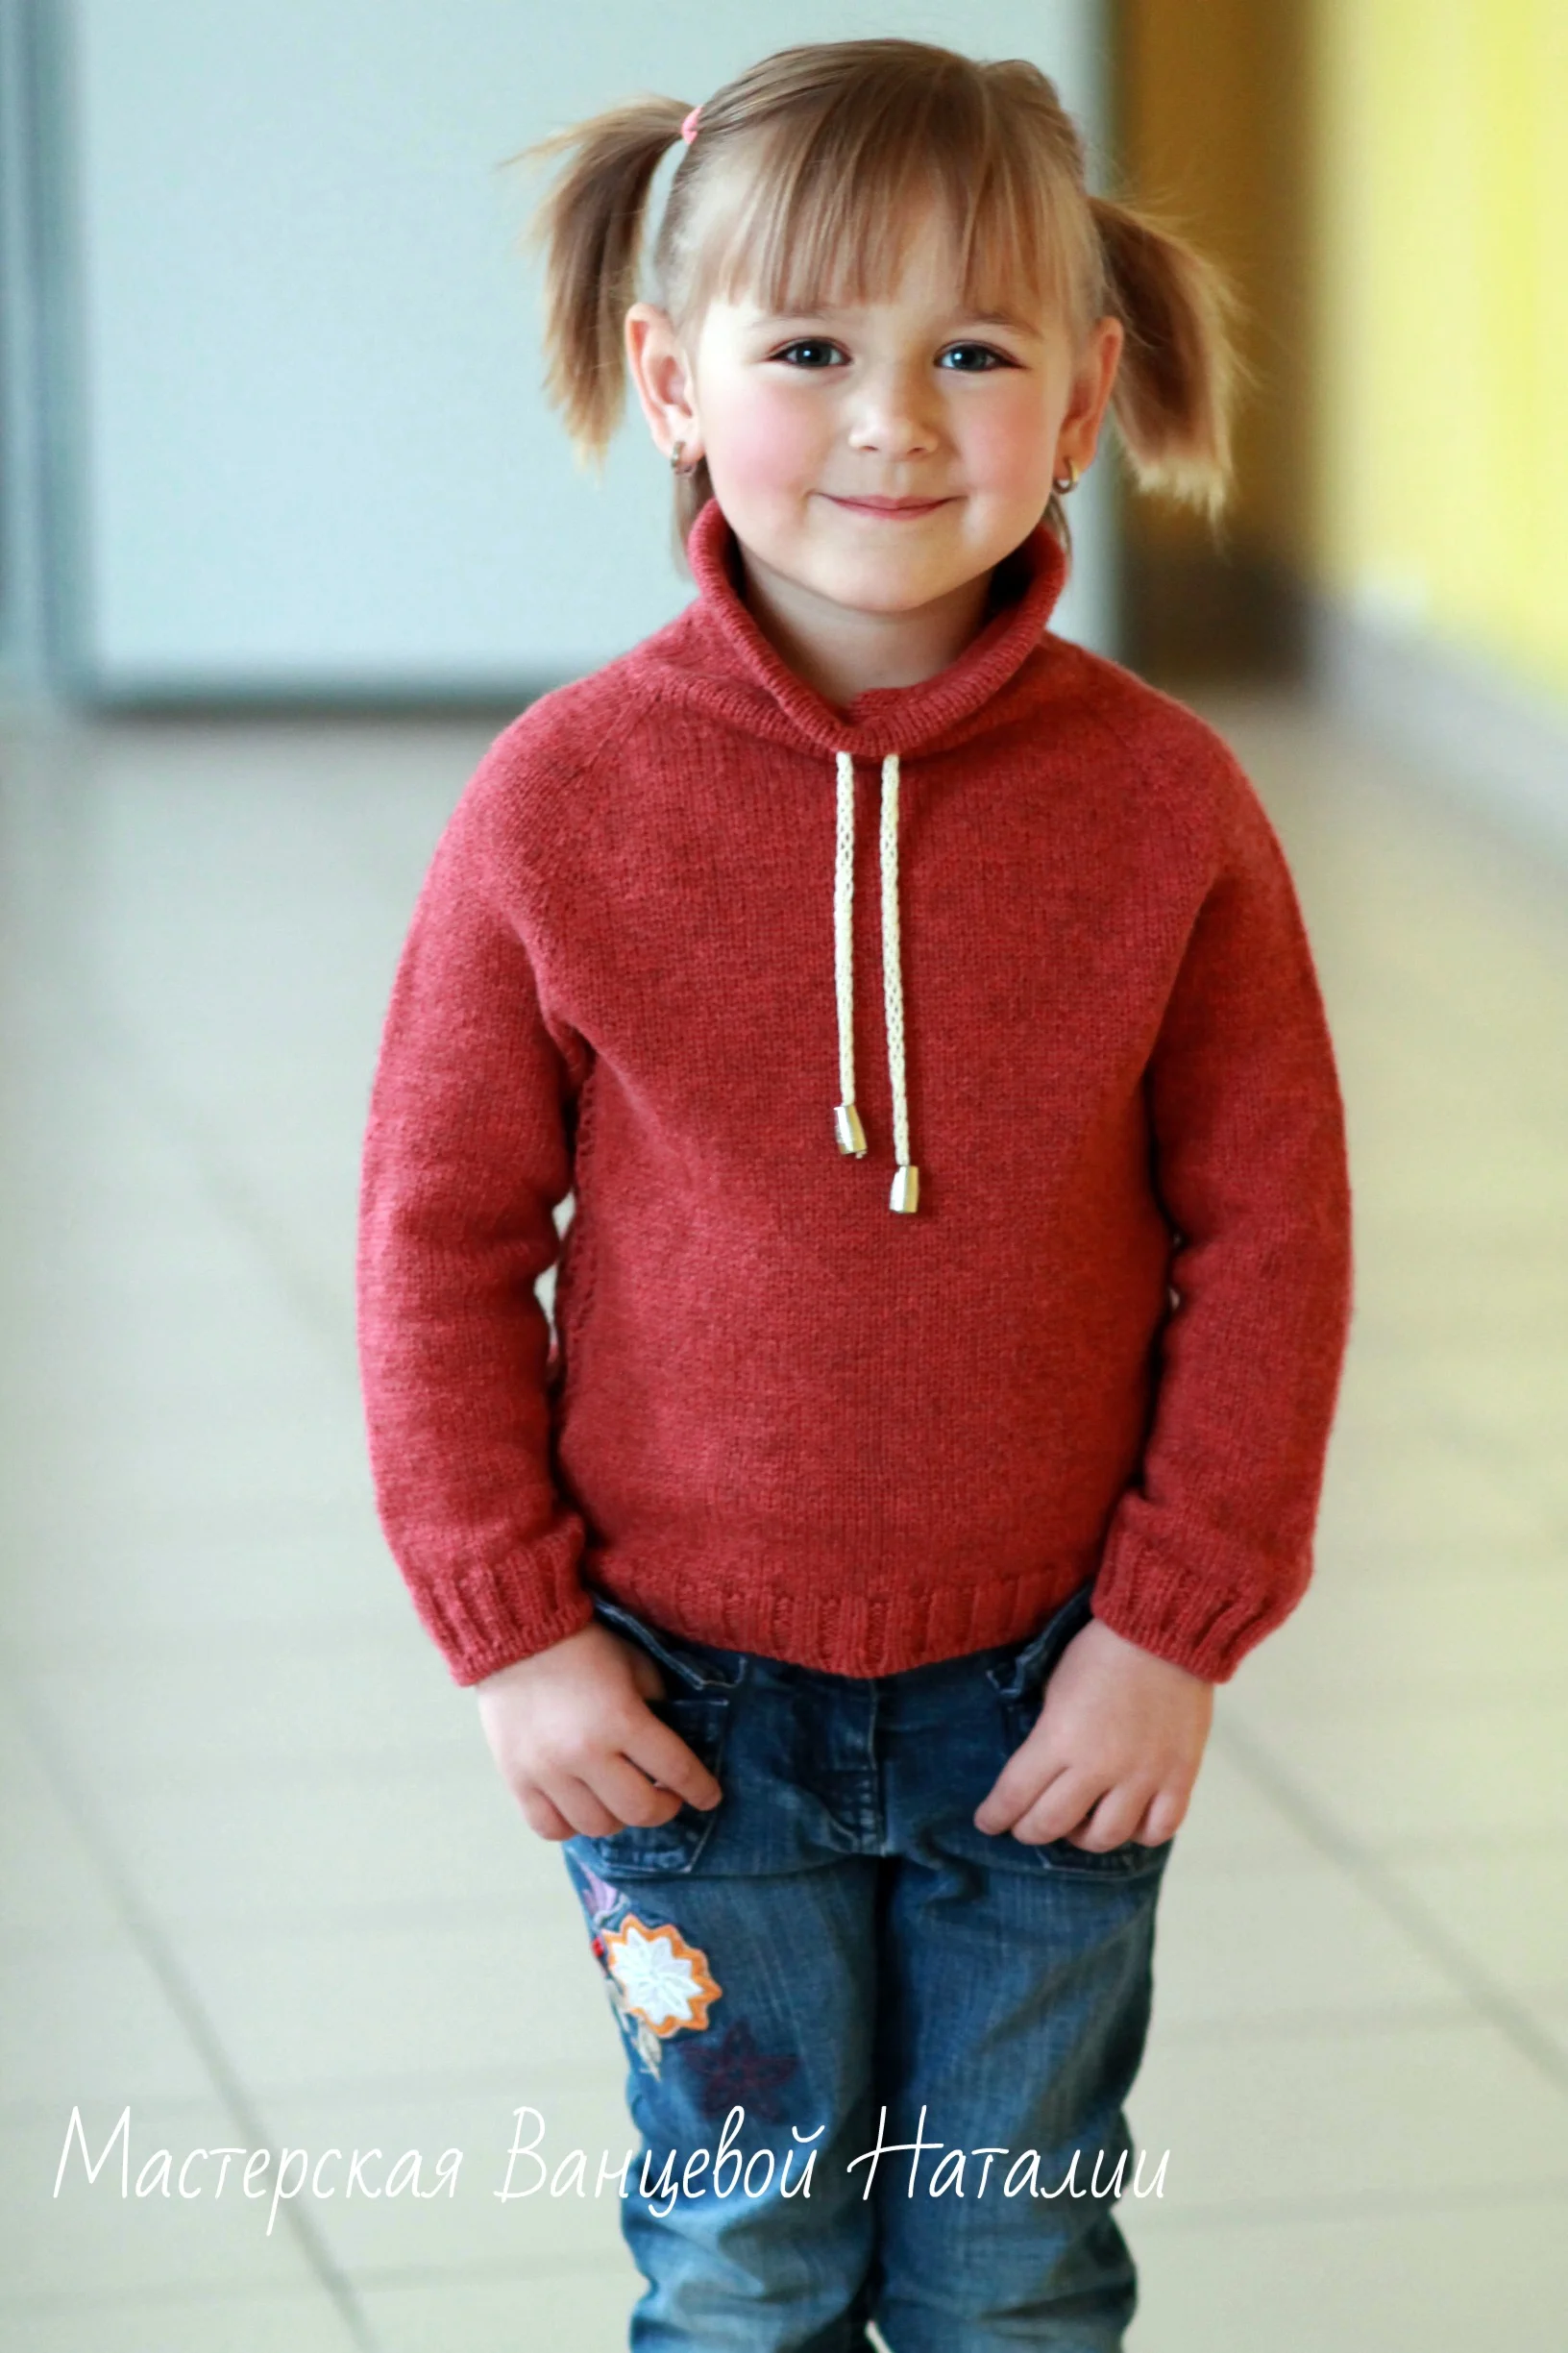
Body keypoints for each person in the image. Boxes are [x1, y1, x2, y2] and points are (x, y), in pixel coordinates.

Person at [356, 37, 1354, 2352]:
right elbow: (438, 1243)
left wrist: (1172, 1628)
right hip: (676, 1712)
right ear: (670, 380)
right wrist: (512, 1631)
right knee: (748, 2256)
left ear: (1084, 395)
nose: (895, 420)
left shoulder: (1172, 813)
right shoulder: (555, 806)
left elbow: (1274, 1240)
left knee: (1016, 2273)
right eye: (810, 348)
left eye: (974, 353)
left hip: (1056, 1703)